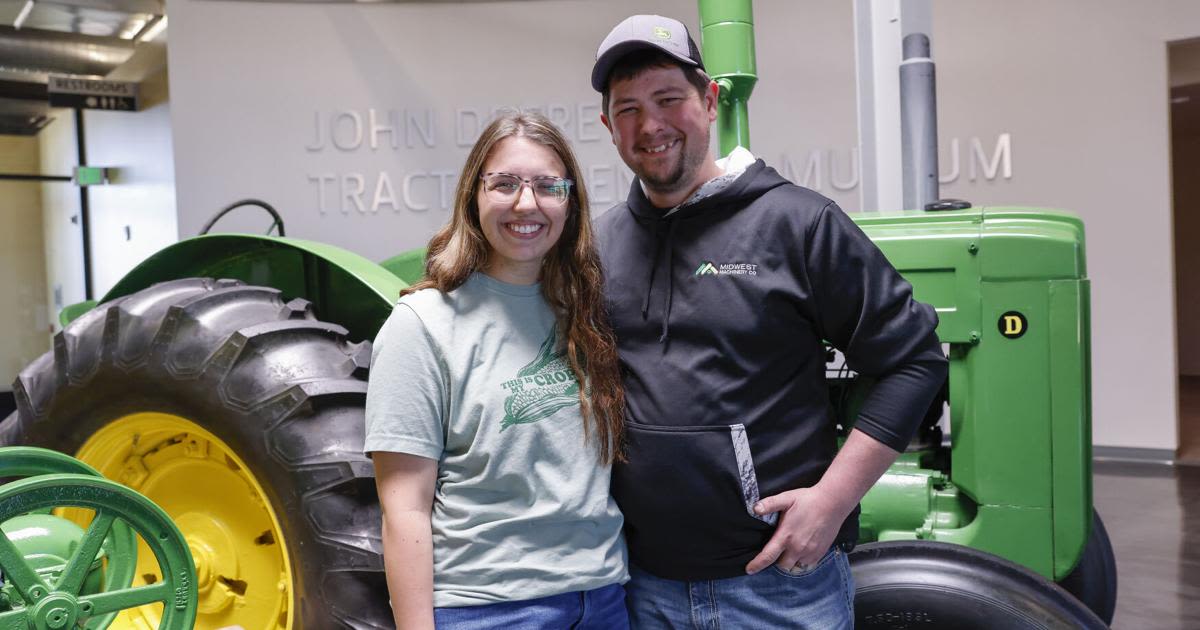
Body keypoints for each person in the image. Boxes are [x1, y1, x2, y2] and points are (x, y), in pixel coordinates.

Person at [590, 14, 950, 629]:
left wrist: (833, 502)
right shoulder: (599, 246)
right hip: (642, 588)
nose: (649, 125)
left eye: (668, 99)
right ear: (608, 126)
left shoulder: (798, 223)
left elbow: (914, 362)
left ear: (709, 101)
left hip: (780, 589)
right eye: (627, 109)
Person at [364, 110, 630, 629]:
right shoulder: (422, 325)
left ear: (569, 200)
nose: (526, 203)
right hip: (486, 609)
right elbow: (405, 510)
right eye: (504, 184)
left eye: (548, 186)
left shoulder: (586, 312)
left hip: (602, 601)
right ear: (473, 196)